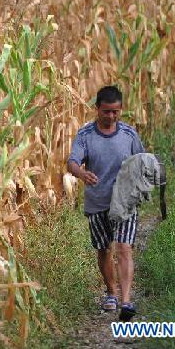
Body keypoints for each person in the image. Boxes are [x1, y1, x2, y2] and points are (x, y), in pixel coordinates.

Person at [67, 85, 145, 321]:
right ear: (97, 109)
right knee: (104, 249)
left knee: (124, 247)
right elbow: (72, 162)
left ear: (120, 110)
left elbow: (142, 161)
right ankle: (111, 292)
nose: (111, 116)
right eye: (106, 111)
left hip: (125, 203)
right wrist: (81, 174)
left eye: (116, 112)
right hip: (97, 202)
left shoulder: (129, 135)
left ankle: (126, 301)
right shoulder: (85, 135)